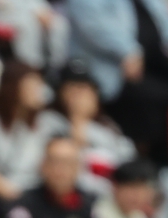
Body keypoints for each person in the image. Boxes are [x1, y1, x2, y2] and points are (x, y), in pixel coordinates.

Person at [66, 0, 168, 161]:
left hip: (157, 63)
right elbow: (94, 26)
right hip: (112, 71)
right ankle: (150, 158)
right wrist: (128, 51)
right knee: (151, 99)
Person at [0, 61, 66, 204]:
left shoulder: (47, 122)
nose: (39, 91)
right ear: (13, 86)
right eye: (32, 86)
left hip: (37, 196)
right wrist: (16, 199)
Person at [53, 62, 137, 195]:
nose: (80, 95)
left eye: (85, 88)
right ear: (60, 93)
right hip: (75, 195)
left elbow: (127, 163)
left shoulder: (108, 125)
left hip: (110, 194)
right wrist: (78, 118)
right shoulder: (51, 121)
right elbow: (68, 164)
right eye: (73, 88)